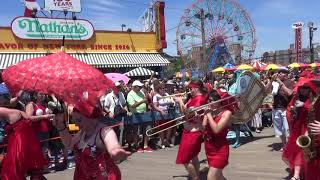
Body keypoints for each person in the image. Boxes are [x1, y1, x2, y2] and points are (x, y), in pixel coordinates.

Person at [52, 107, 130, 180]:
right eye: (74, 121)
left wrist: (115, 151)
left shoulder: (104, 131)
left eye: (79, 120)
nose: (76, 124)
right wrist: (61, 126)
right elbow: (68, 144)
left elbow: (113, 145)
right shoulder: (82, 133)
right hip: (83, 176)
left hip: (103, 176)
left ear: (91, 117)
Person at [0, 92, 54, 180]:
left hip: (19, 141)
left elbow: (14, 100)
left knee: (13, 171)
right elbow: (16, 99)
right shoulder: (20, 111)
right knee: (34, 171)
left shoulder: (7, 111)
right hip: (29, 141)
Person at [283, 78, 316, 180]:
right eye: (301, 88)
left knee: (306, 152)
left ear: (310, 89)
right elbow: (291, 114)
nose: (302, 90)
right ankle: (297, 174)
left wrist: (306, 107)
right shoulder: (297, 98)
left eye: (305, 88)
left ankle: (300, 174)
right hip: (297, 128)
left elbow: (314, 114)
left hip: (309, 128)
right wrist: (294, 110)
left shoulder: (314, 99)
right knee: (297, 150)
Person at [174, 80, 207, 180]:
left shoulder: (199, 99)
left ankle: (195, 177)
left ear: (196, 88)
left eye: (191, 88)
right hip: (189, 132)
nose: (189, 90)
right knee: (194, 157)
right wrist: (180, 102)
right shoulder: (194, 98)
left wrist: (180, 101)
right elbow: (183, 112)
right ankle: (196, 176)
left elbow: (188, 114)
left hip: (193, 133)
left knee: (185, 159)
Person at [203, 90, 233, 180]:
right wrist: (198, 120)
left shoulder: (227, 113)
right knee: (219, 176)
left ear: (219, 100)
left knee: (211, 177)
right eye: (208, 100)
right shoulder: (210, 112)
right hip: (209, 148)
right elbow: (204, 129)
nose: (209, 102)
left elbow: (216, 130)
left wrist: (208, 115)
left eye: (211, 100)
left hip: (220, 149)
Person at [126, 80, 152, 152]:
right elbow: (132, 105)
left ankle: (145, 145)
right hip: (136, 115)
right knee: (137, 131)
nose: (140, 88)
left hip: (144, 114)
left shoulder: (141, 92)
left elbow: (145, 101)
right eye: (139, 87)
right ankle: (137, 146)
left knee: (147, 129)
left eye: (141, 86)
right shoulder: (130, 94)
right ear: (135, 87)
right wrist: (142, 101)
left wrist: (146, 104)